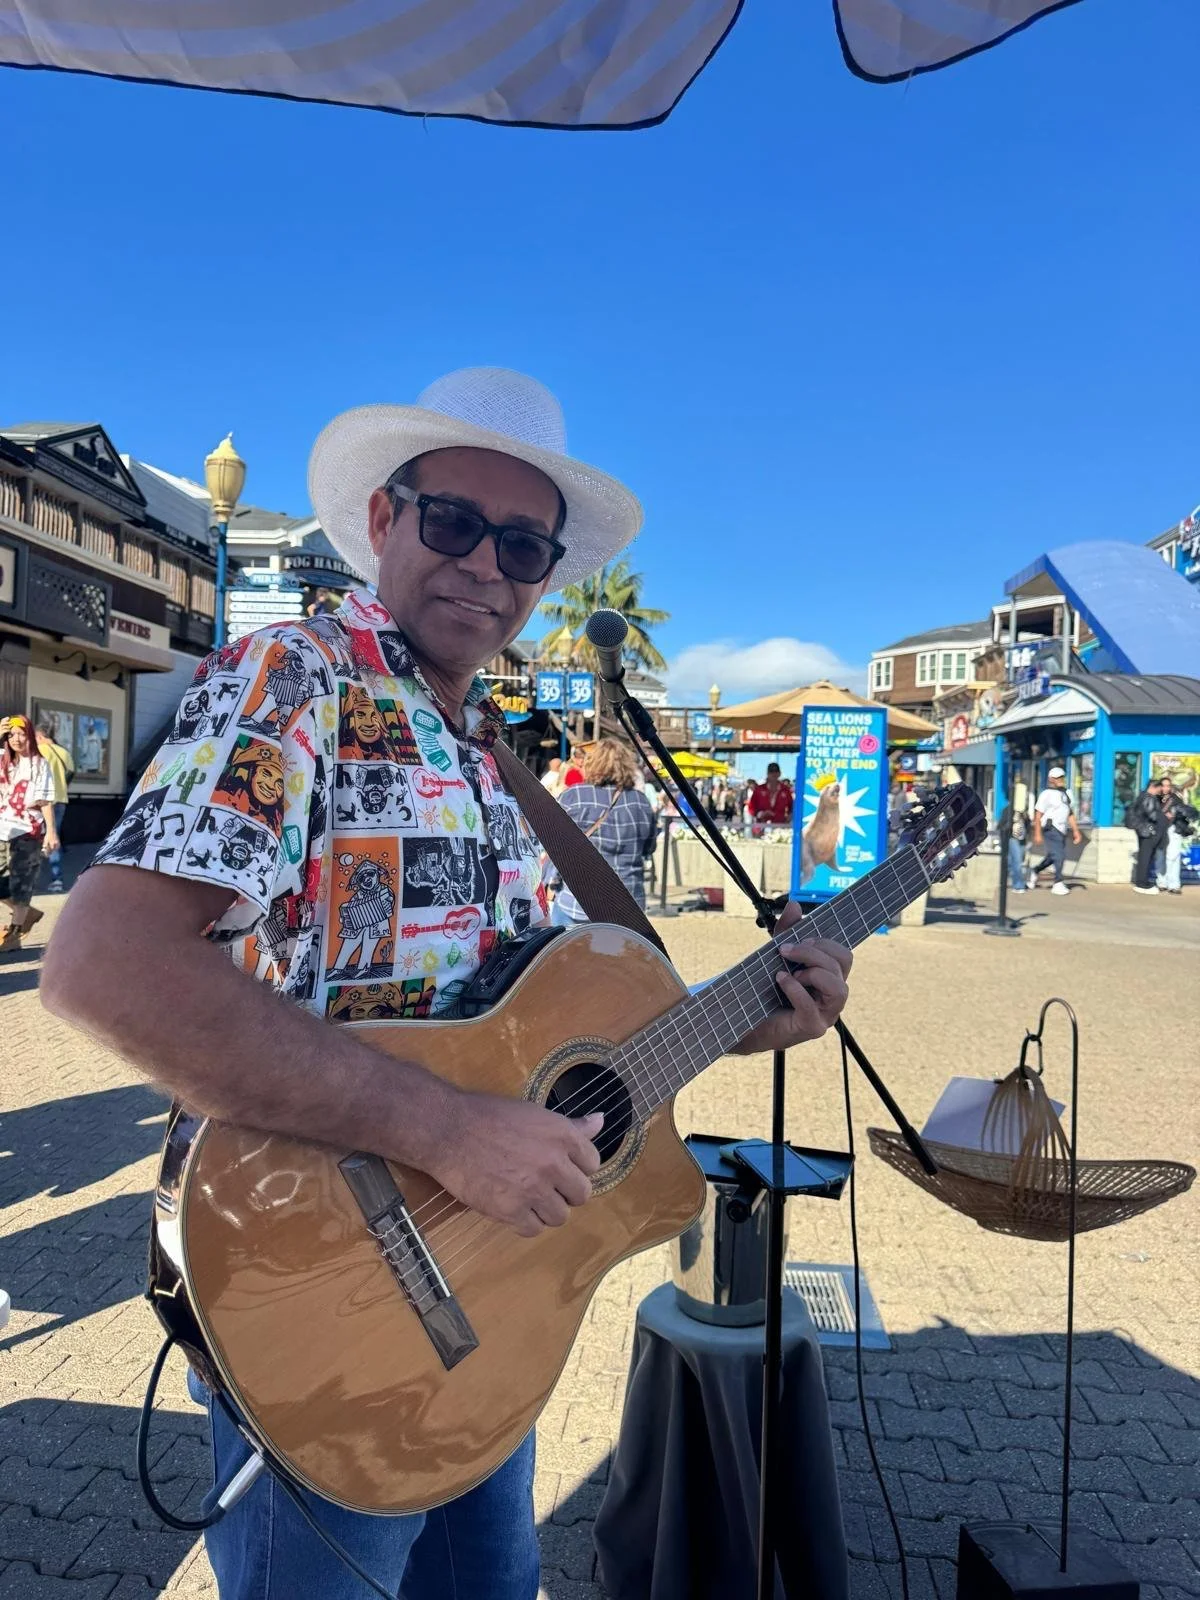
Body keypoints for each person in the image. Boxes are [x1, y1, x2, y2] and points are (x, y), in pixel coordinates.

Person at [41, 367, 852, 1600]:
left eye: (523, 545)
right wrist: (450, 1133)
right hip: (326, 1301)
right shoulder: (295, 681)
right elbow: (102, 964)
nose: (487, 565)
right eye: (454, 522)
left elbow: (575, 1026)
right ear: (382, 518)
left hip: (490, 1313)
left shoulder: (483, 748)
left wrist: (750, 1021)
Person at [550, 739, 658, 926]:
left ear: (592, 763)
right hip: (628, 904)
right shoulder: (640, 801)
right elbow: (649, 848)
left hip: (578, 901)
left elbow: (556, 845)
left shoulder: (574, 796)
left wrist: (553, 881)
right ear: (627, 766)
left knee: (564, 951)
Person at [0, 714, 59, 953]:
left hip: (28, 831)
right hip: (3, 828)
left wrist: (51, 832)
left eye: (21, 733)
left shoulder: (39, 763)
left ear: (31, 735)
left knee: (21, 884)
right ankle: (28, 913)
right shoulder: (3, 760)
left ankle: (14, 935)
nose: (16, 739)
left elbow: (45, 800)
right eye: (11, 734)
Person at [1028, 766, 1082, 895]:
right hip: (1050, 828)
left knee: (1053, 856)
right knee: (1060, 855)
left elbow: (1070, 814)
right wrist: (1037, 833)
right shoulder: (1046, 794)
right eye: (1057, 778)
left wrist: (1076, 831)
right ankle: (1058, 882)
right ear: (1051, 779)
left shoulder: (1067, 793)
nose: (1060, 780)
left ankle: (1035, 870)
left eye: (1062, 777)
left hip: (1062, 829)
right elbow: (1038, 814)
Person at [36, 716, 74, 892]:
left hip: (42, 801)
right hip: (61, 800)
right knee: (54, 836)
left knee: (34, 839)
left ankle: (29, 878)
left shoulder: (39, 750)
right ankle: (56, 878)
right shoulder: (63, 752)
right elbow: (71, 772)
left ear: (40, 736)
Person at [1155, 775, 1197, 896]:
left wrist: (1175, 815)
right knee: (1160, 856)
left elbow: (1184, 812)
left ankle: (1174, 884)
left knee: (1173, 856)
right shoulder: (1156, 799)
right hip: (1160, 830)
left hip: (1173, 830)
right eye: (1163, 785)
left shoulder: (1175, 798)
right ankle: (1161, 882)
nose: (1166, 788)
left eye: (1168, 785)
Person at [1130, 777, 1168, 894]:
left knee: (1145, 856)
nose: (1160, 791)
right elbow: (1153, 815)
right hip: (1148, 832)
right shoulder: (1148, 798)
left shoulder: (1143, 797)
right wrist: (1163, 817)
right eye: (1159, 788)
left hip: (1145, 831)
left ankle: (1143, 881)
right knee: (1145, 857)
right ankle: (1142, 883)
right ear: (1153, 787)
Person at [748, 762, 794, 826]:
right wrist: (760, 814)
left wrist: (788, 818)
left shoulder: (785, 790)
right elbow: (751, 807)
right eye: (771, 771)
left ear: (779, 773)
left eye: (776, 771)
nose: (773, 774)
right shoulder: (759, 789)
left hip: (779, 825)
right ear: (767, 773)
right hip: (761, 824)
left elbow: (792, 807)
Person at [1002, 798, 1029, 894]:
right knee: (1016, 861)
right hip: (1012, 838)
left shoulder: (1024, 812)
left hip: (1021, 839)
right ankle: (1018, 885)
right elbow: (1003, 824)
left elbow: (1027, 824)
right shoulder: (1008, 810)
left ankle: (1016, 881)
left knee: (1015, 861)